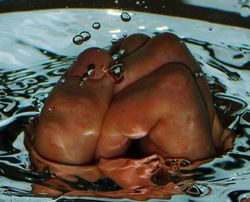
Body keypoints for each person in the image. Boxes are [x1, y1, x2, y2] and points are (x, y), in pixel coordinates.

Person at [25, 33, 234, 198]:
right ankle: (63, 178)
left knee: (167, 67)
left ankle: (60, 180)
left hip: (189, 183)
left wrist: (106, 157)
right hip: (188, 180)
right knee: (167, 59)